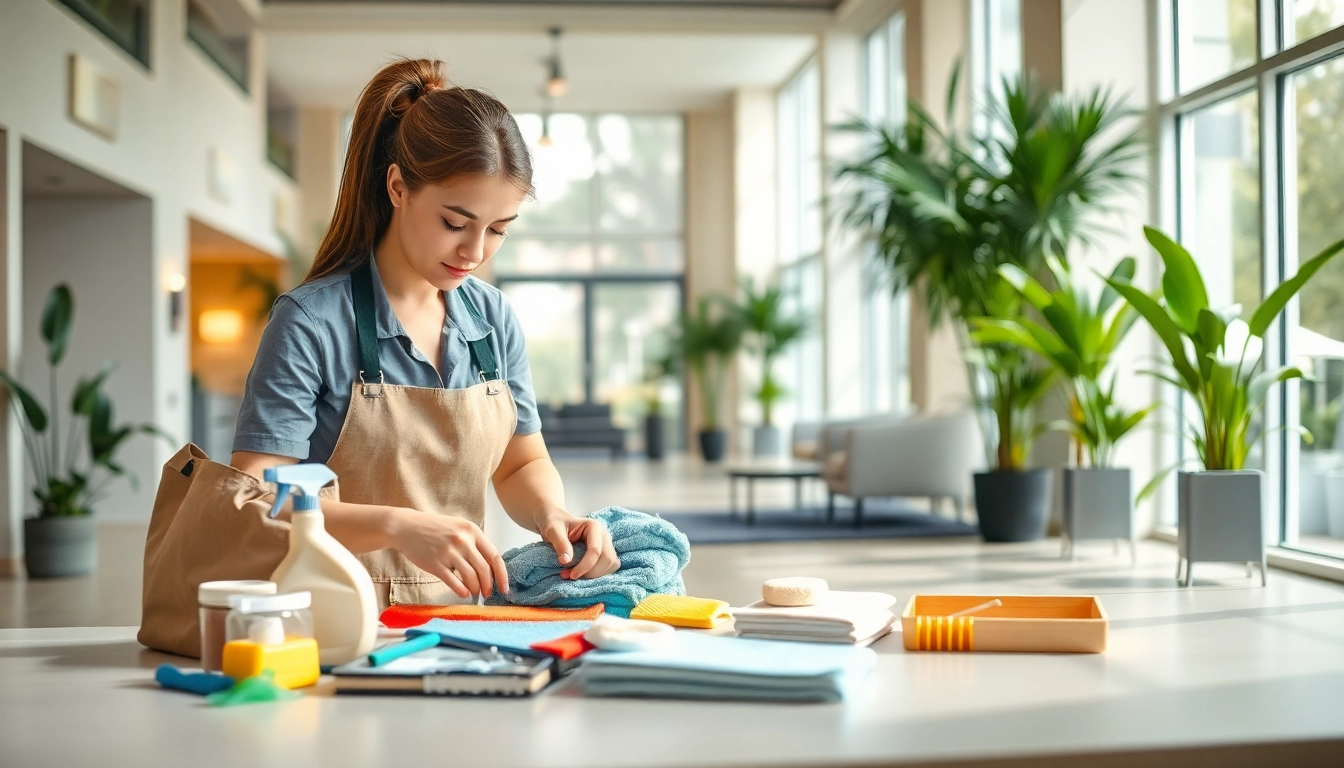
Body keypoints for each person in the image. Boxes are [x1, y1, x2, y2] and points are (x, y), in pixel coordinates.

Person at [230, 58, 619, 606]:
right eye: (455, 223)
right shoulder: (311, 323)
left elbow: (521, 463)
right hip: (329, 615)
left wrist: (553, 515)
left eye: (498, 230)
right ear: (398, 187)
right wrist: (397, 526)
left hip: (456, 621)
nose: (475, 251)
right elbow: (258, 498)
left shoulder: (493, 319)